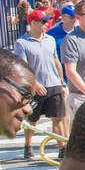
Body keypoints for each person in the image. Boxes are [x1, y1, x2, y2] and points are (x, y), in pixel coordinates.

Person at [13, 10, 66, 160]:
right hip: (36, 88)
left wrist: (61, 82)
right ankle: (28, 146)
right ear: (33, 23)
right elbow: (22, 67)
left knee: (58, 118)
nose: (46, 24)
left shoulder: (50, 39)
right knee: (32, 119)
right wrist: (34, 83)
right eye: (43, 21)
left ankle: (62, 148)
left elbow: (56, 61)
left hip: (53, 84)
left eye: (47, 21)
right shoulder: (22, 43)